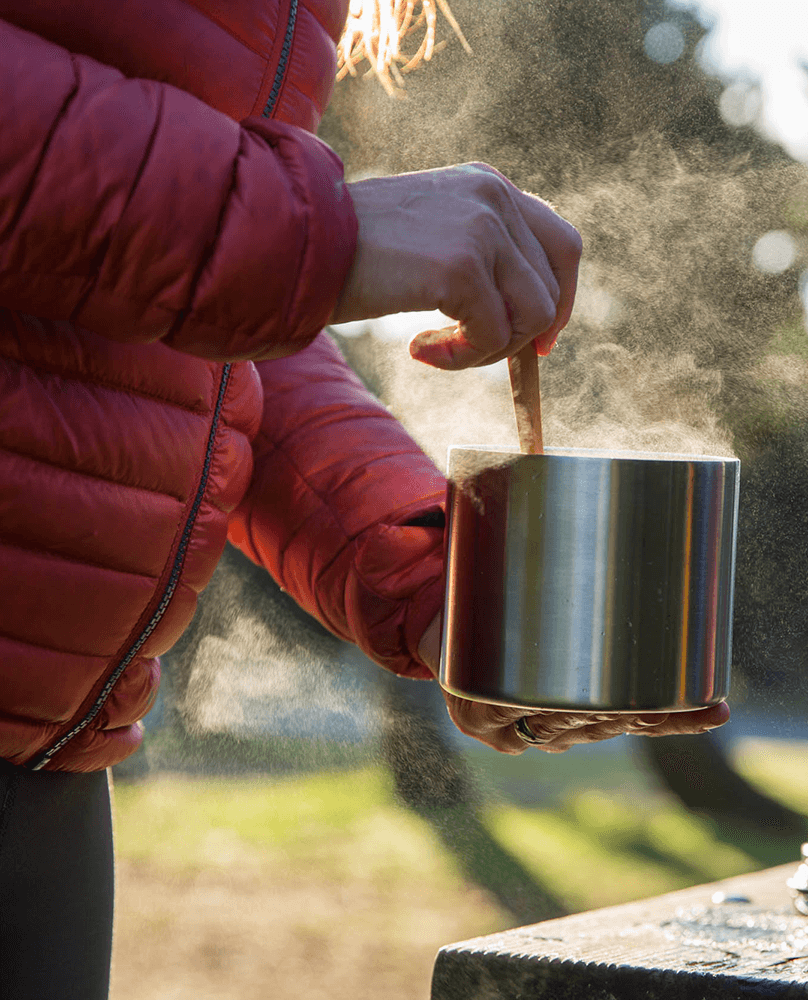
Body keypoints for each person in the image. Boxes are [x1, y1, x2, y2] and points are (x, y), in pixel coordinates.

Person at [0, 2, 729, 997]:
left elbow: (201, 324)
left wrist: (439, 593)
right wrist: (304, 230)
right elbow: (243, 243)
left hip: (51, 755)